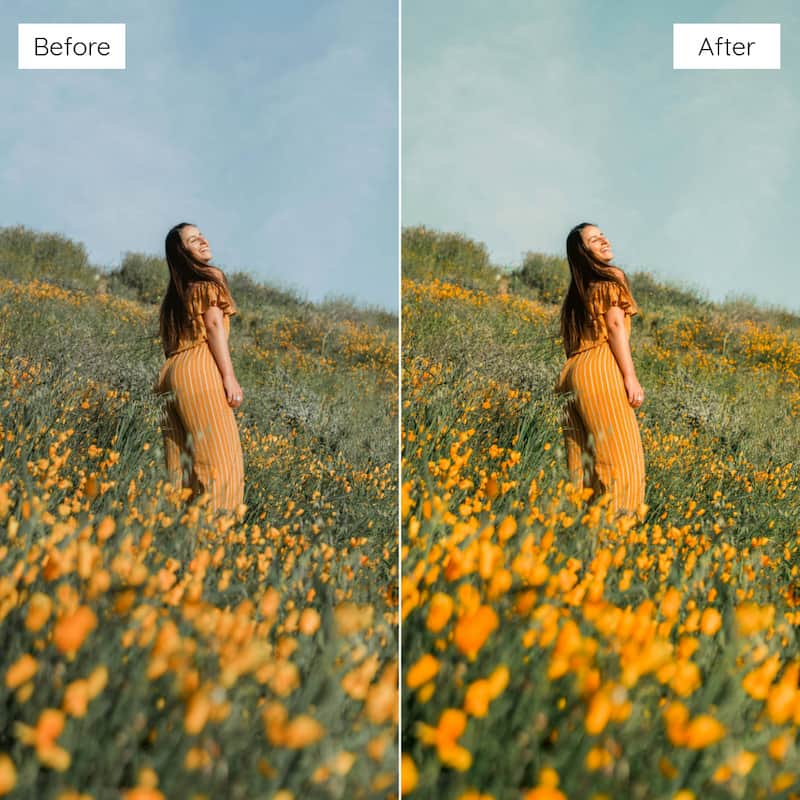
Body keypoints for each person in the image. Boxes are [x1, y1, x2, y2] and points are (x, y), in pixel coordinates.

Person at [556, 223, 645, 514]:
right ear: (585, 252)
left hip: (572, 374)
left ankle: (574, 532)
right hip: (600, 370)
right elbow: (615, 326)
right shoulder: (612, 278)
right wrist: (629, 377)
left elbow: (571, 345)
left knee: (582, 463)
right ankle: (615, 536)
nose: (604, 240)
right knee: (621, 460)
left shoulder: (576, 295)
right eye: (595, 240)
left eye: (602, 234)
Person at [155, 223, 244, 512]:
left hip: (170, 375)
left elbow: (169, 345)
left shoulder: (175, 295)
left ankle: (168, 536)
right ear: (184, 253)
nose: (203, 240)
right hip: (199, 371)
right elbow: (214, 324)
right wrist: (228, 377)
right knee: (221, 464)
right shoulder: (210, 277)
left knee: (179, 472)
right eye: (194, 240)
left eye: (201, 234)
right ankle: (213, 542)